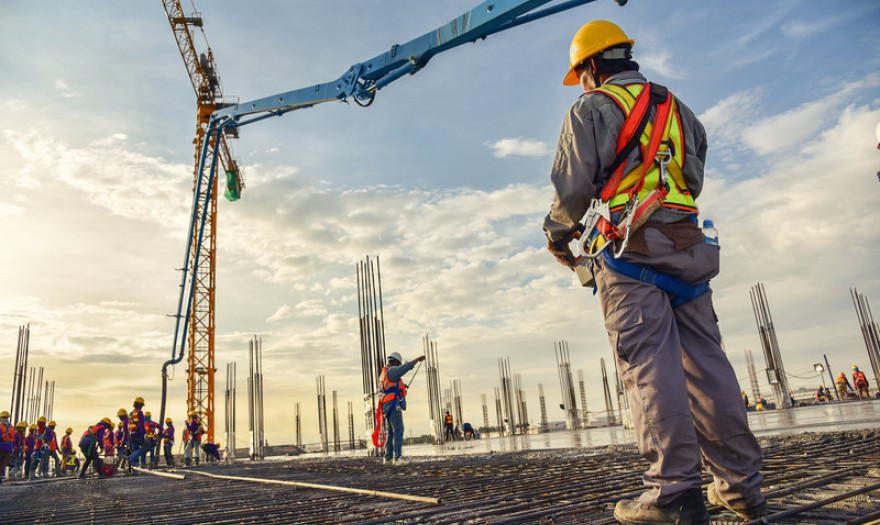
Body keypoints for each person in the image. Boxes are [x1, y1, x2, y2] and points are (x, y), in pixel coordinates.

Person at [543, 21, 766, 525]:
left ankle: (672, 496)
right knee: (708, 367)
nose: (581, 82)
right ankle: (741, 489)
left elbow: (572, 187)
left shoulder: (592, 108)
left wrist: (557, 233)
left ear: (593, 65)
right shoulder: (679, 110)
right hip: (687, 244)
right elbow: (692, 178)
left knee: (649, 368)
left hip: (629, 251)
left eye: (581, 72)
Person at [379, 352, 425, 465]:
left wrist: (402, 387)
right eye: (398, 364)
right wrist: (417, 359)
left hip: (387, 406)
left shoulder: (384, 373)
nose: (398, 366)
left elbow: (389, 387)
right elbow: (405, 368)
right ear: (395, 362)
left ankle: (388, 458)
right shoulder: (392, 370)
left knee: (391, 432)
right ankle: (398, 457)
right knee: (399, 430)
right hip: (394, 405)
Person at [128, 397, 147, 467]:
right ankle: (131, 457)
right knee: (144, 449)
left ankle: (136, 468)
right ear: (140, 405)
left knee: (135, 449)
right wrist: (144, 434)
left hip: (131, 434)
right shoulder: (140, 412)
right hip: (138, 434)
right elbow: (141, 425)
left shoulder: (131, 413)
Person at [0, 411, 14, 484]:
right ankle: (2, 475)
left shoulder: (1, 426)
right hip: (9, 447)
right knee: (4, 463)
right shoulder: (11, 427)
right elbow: (13, 438)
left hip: (1, 446)